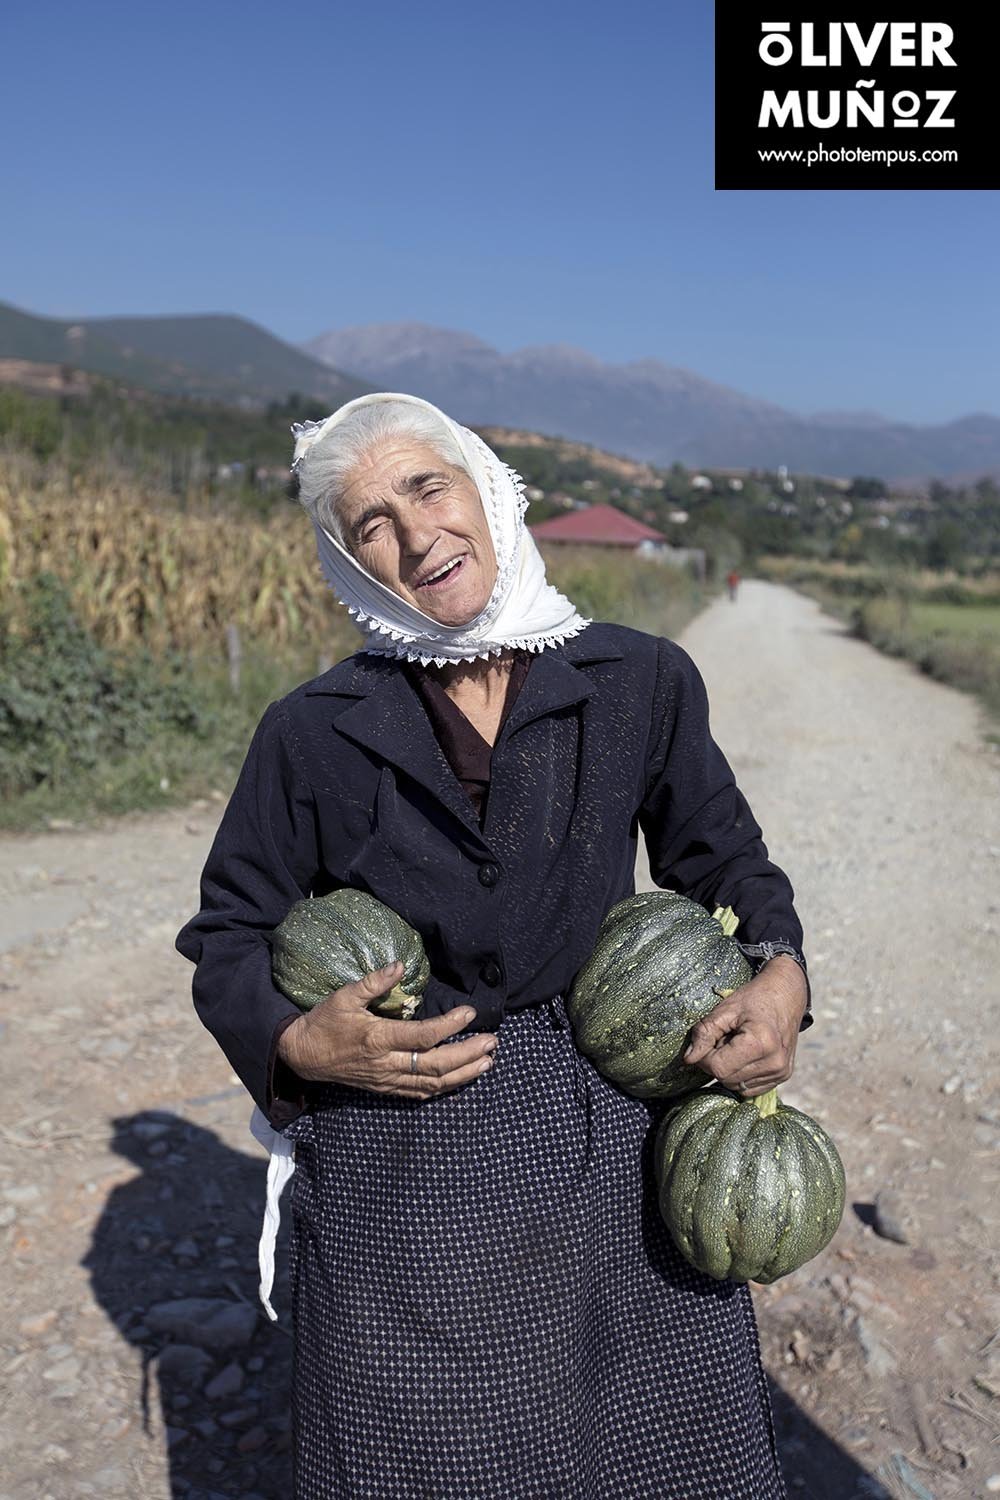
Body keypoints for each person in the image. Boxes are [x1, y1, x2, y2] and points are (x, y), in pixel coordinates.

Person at [176, 392, 812, 1499]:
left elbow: (725, 862)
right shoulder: (310, 731)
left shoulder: (638, 682)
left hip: (615, 1124)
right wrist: (297, 1044)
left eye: (427, 487)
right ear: (347, 558)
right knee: (437, 1449)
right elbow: (228, 928)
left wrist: (782, 974)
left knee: (652, 1436)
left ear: (486, 487)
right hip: (407, 1145)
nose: (416, 536)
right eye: (370, 522)